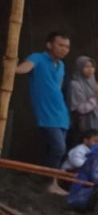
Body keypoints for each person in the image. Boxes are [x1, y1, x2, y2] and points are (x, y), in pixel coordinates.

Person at [14, 31, 72, 194]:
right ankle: (49, 182)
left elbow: (58, 87)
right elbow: (23, 69)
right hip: (46, 113)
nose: (64, 49)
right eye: (60, 45)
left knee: (54, 149)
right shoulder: (37, 58)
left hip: (61, 113)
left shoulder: (61, 66)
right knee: (58, 148)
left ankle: (50, 182)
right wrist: (12, 66)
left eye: (67, 47)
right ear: (49, 45)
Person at [64, 56, 98, 148]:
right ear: (79, 68)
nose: (90, 69)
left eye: (92, 67)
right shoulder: (75, 85)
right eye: (86, 67)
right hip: (82, 128)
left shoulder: (96, 84)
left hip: (97, 128)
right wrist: (96, 97)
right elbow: (80, 109)